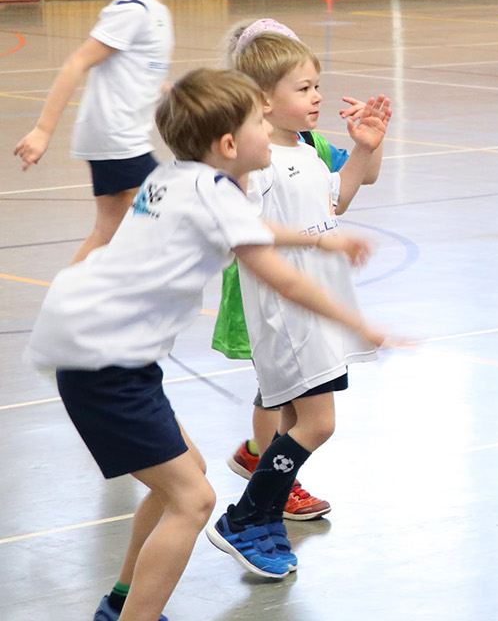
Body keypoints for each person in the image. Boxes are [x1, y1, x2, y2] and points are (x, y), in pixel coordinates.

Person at [24, 69, 391, 618]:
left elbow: (253, 229)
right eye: (257, 123)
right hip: (104, 362)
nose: (268, 131)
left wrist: (324, 239)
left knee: (183, 477)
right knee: (194, 500)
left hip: (104, 354)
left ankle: (122, 602)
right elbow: (281, 275)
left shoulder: (177, 176)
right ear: (227, 145)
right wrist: (358, 324)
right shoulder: (214, 192)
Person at [205, 21, 391, 561]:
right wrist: (319, 241)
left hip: (316, 308)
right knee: (319, 423)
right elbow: (249, 230)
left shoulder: (305, 151)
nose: (316, 97)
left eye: (317, 86)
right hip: (287, 313)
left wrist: (362, 151)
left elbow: (338, 201)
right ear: (263, 99)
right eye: (303, 88)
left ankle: (264, 521)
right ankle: (244, 519)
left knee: (291, 422)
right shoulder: (257, 162)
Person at [13, 0, 192, 265]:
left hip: (118, 136)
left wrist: (168, 88)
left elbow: (137, 73)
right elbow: (77, 62)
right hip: (115, 137)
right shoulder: (133, 8)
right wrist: (43, 130)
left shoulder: (156, 11)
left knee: (108, 232)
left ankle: (68, 302)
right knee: (168, 204)